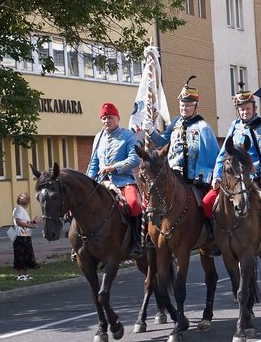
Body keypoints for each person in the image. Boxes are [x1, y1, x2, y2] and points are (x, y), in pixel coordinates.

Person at [203, 84, 261, 252]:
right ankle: (213, 237)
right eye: (242, 109)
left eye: (248, 108)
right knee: (207, 201)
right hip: (235, 178)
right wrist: (216, 176)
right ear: (238, 110)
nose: (245, 112)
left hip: (259, 177)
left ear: (254, 108)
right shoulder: (234, 127)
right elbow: (223, 154)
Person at [87, 102, 143, 258]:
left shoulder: (127, 135)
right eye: (104, 118)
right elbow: (93, 164)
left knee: (133, 203)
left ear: (117, 119)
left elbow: (134, 160)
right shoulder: (98, 138)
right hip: (101, 182)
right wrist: (87, 182)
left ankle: (137, 241)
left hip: (123, 181)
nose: (106, 121)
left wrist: (113, 167)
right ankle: (83, 244)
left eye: (110, 118)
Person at [146, 76, 219, 189]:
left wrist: (206, 177)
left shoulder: (203, 127)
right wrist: (151, 131)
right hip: (171, 172)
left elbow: (213, 155)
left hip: (193, 179)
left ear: (196, 107)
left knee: (206, 203)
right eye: (182, 105)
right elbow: (162, 142)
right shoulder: (176, 122)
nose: (184, 108)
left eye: (188, 105)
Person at [12, 193, 40, 281]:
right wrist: (30, 226)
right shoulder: (18, 209)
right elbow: (18, 222)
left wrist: (33, 222)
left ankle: (25, 274)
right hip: (20, 235)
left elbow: (25, 222)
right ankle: (20, 274)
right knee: (20, 254)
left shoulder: (22, 210)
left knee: (27, 254)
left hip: (25, 234)